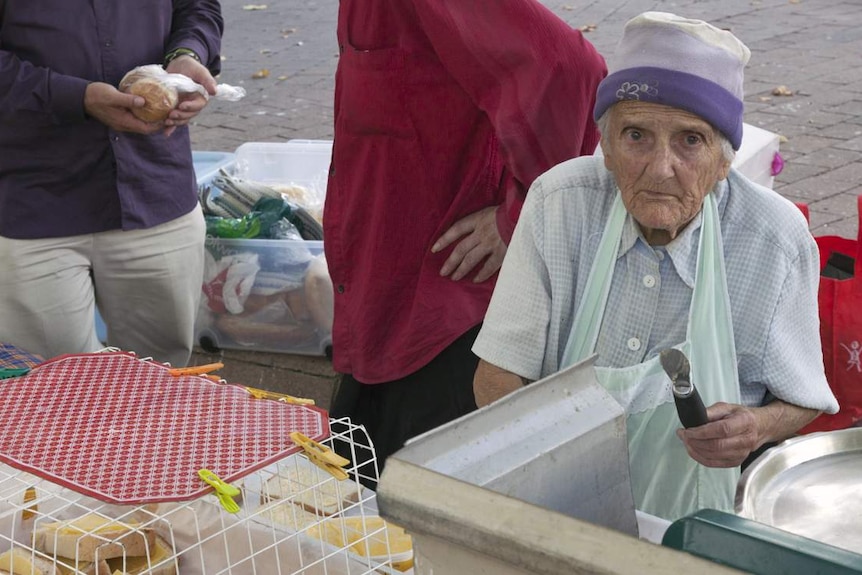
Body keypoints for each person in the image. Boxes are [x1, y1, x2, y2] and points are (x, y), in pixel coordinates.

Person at [472, 12, 839, 521]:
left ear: (725, 160)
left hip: (690, 523)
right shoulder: (560, 203)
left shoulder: (773, 239)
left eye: (690, 140)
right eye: (637, 136)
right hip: (554, 499)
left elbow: (803, 398)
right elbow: (496, 376)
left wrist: (756, 427)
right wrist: (546, 481)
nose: (661, 167)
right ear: (605, 147)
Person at [325, 1, 607, 482]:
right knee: (354, 521)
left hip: (442, 318)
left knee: (419, 531)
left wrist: (519, 216)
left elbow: (568, 66)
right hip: (380, 302)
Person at [0, 2, 224, 367]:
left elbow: (197, 7)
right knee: (49, 386)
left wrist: (187, 55)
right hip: (35, 202)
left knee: (159, 380)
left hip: (154, 191)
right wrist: (78, 98)